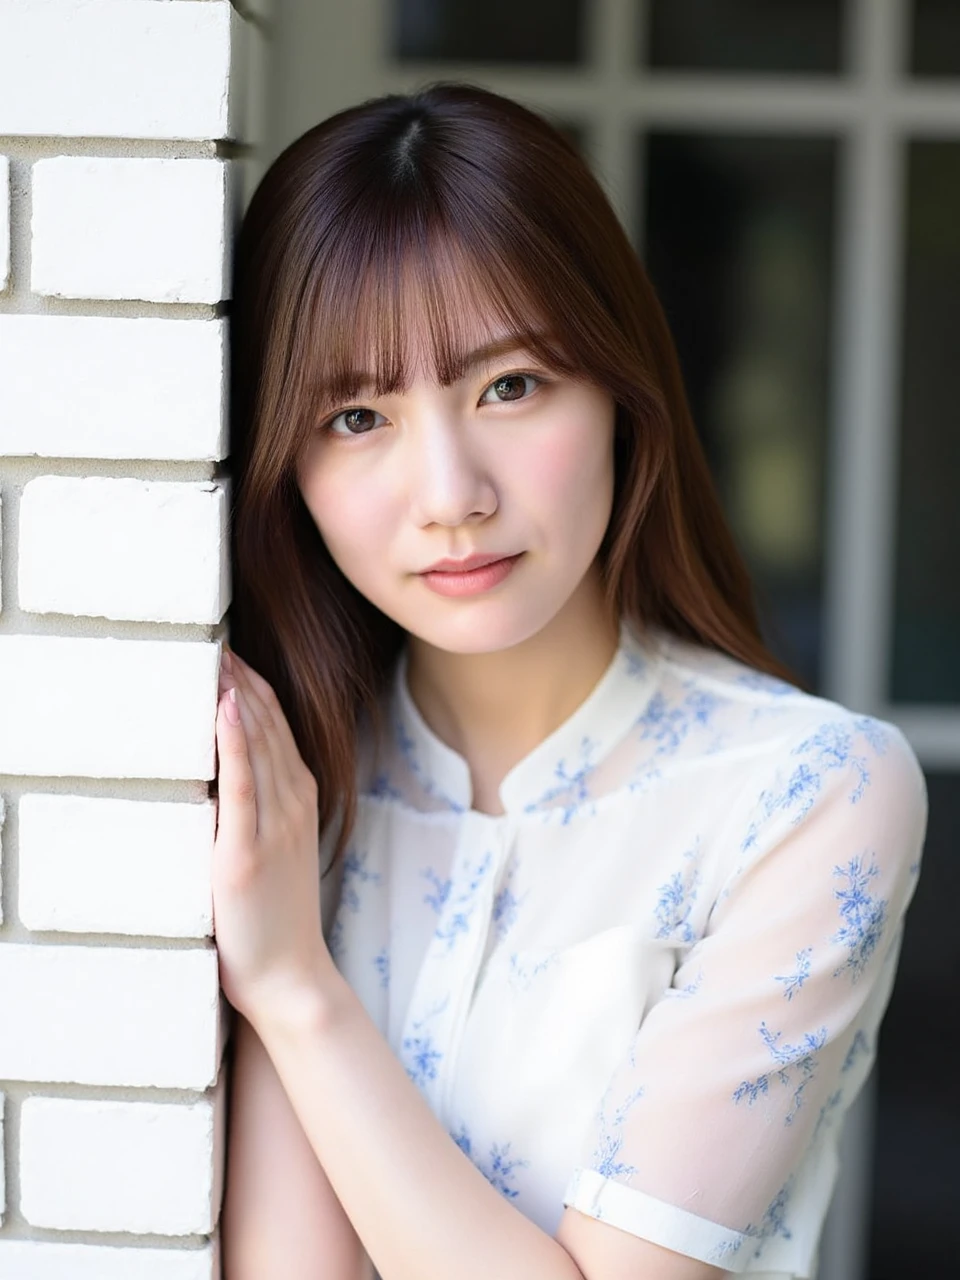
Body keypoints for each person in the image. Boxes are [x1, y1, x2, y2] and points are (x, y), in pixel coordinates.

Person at [212, 83, 927, 1280]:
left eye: (510, 385)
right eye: (355, 414)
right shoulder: (293, 796)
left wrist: (296, 988)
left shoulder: (808, 794)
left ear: (617, 393)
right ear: (286, 466)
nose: (451, 493)